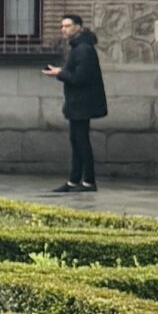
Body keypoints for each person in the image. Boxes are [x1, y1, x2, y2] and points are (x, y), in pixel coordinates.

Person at [44, 13, 106, 193]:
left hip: (82, 103)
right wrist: (62, 71)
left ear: (78, 27)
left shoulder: (84, 49)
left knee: (81, 141)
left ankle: (88, 181)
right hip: (78, 102)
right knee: (76, 140)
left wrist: (59, 73)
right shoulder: (78, 47)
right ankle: (73, 181)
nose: (64, 29)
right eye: (62, 26)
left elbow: (80, 77)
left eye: (68, 26)